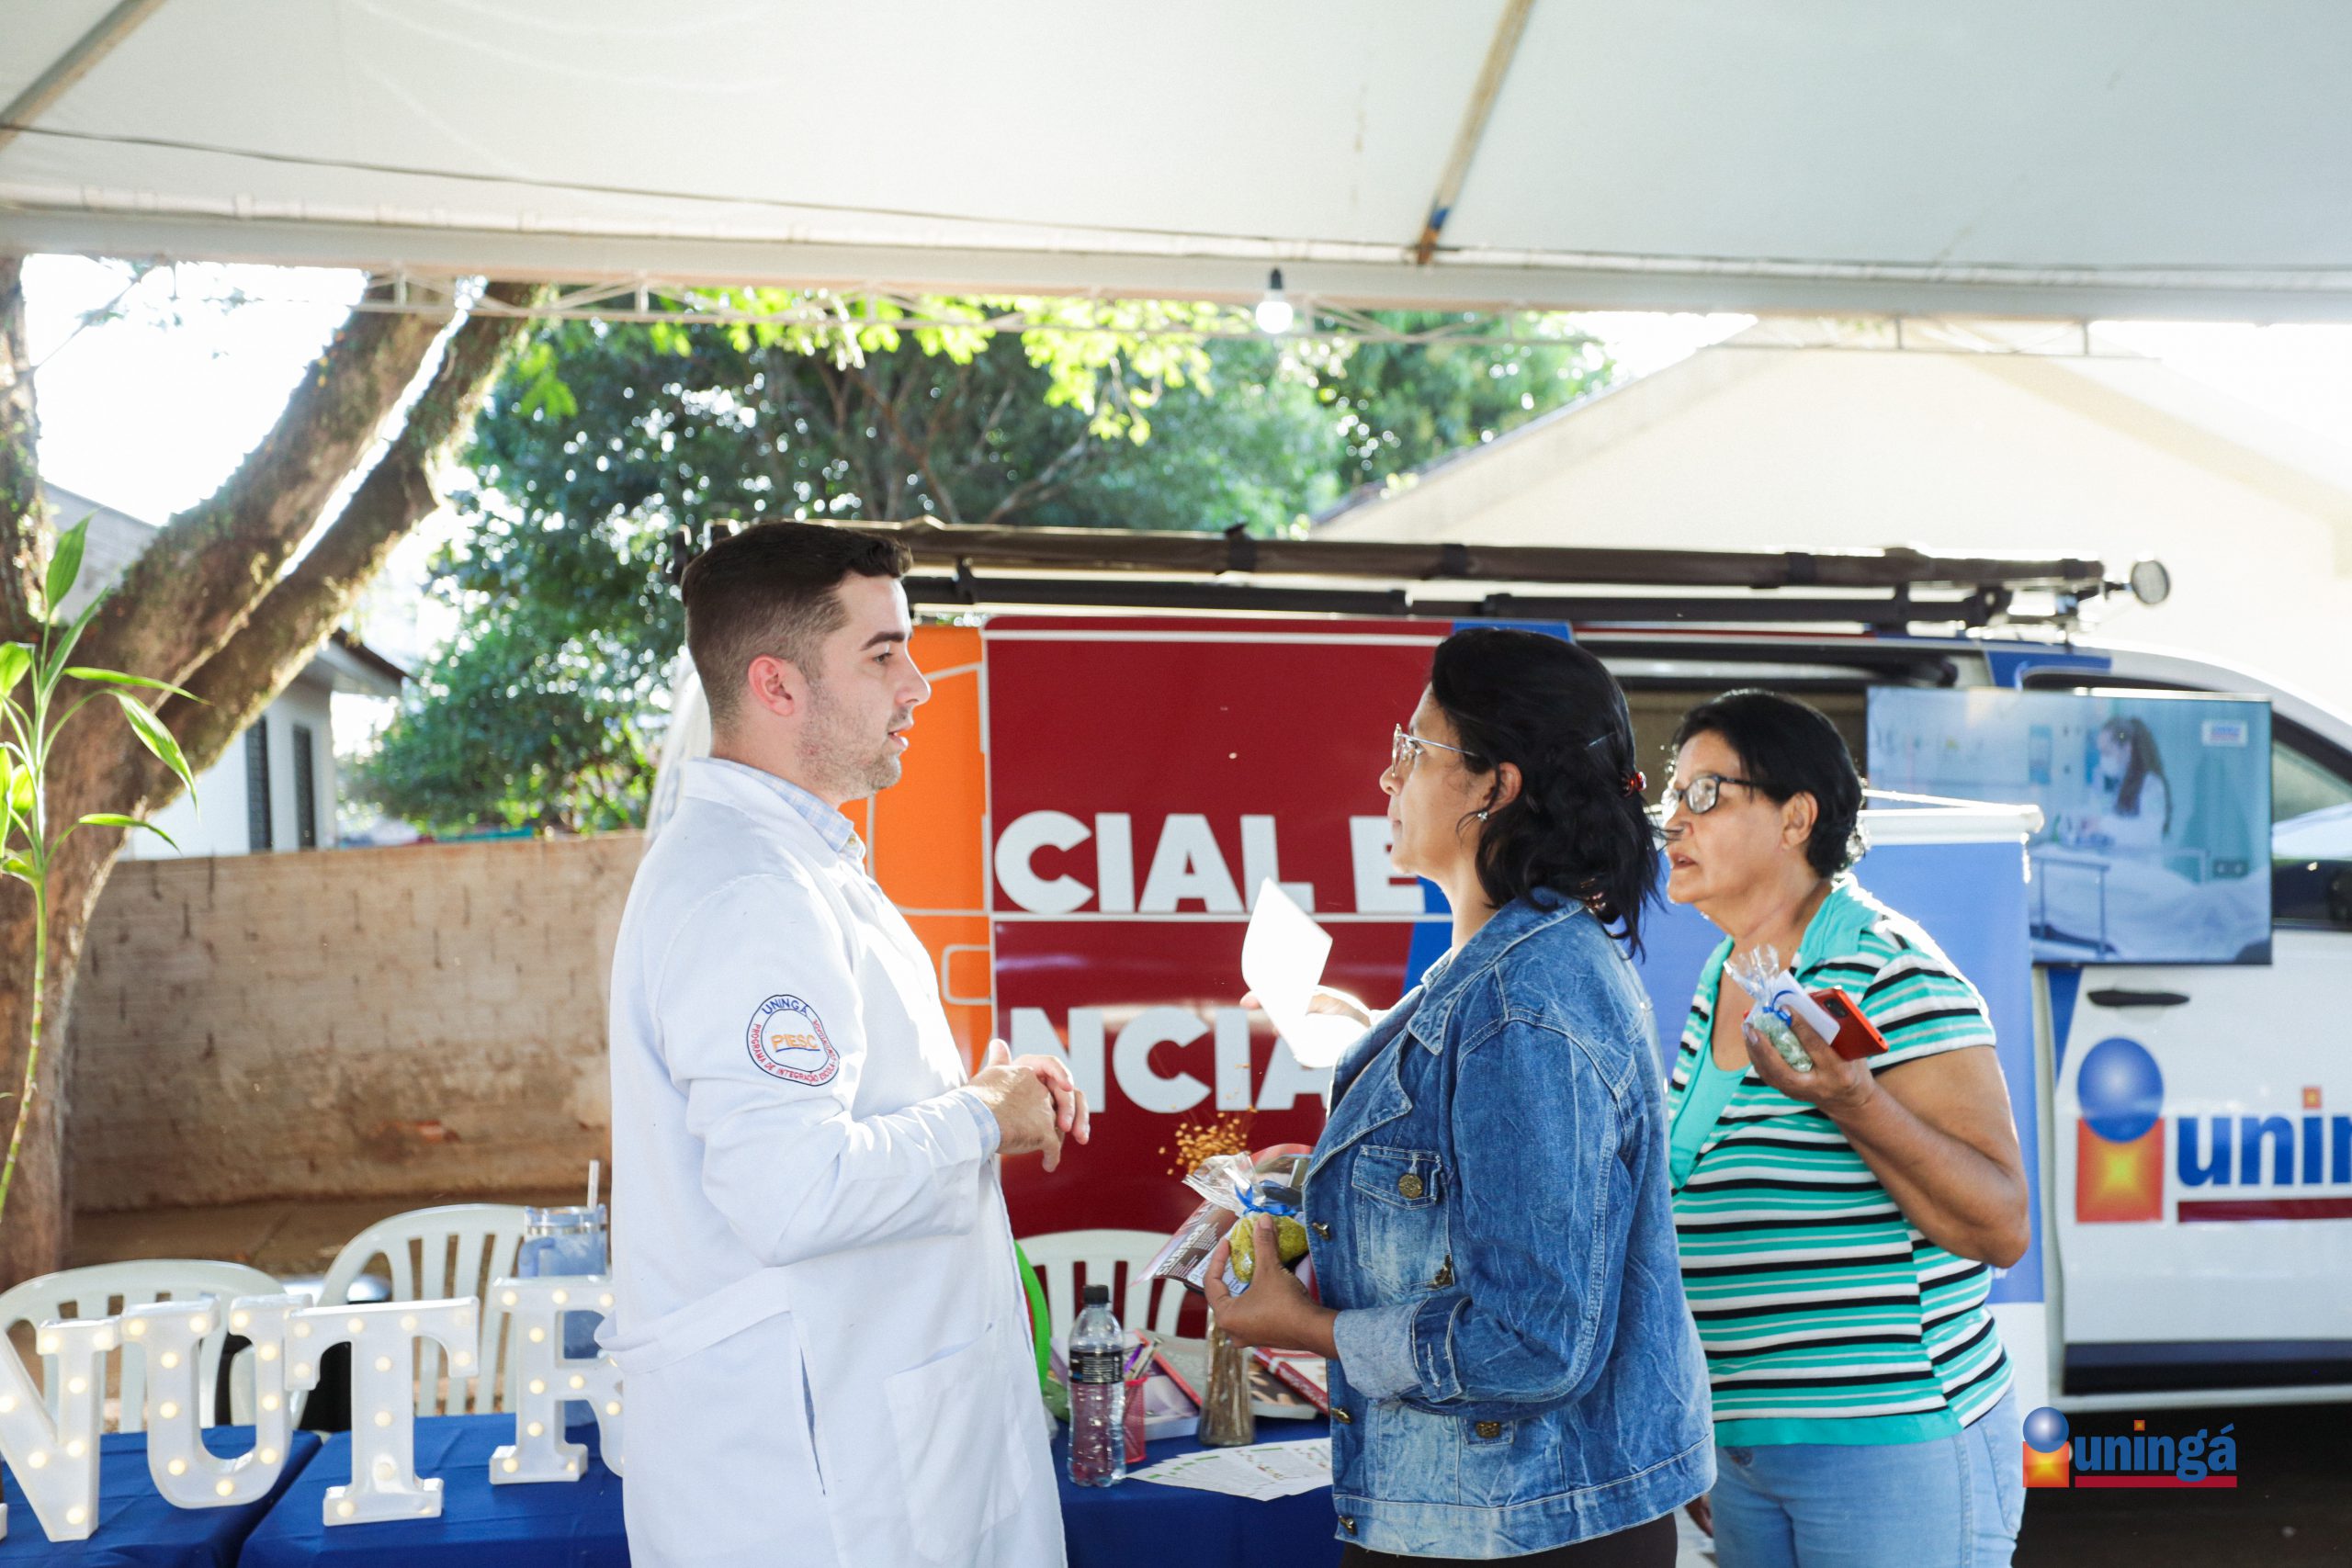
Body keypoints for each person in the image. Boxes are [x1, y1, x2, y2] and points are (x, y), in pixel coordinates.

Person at [603, 521, 1088, 1568]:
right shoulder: (750, 892)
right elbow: (792, 1191)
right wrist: (979, 1117)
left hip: (870, 1449)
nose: (918, 685)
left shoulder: (794, 865)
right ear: (776, 685)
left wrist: (980, 1097)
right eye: (882, 655)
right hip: (812, 1492)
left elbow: (832, 1129)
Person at [1206, 627, 1713, 1566]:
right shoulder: (1499, 967)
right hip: (1491, 1514)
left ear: (1494, 785)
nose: (1388, 776)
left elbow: (1533, 1341)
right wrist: (1331, 1178)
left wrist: (1308, 1329)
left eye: (1414, 748)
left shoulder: (1523, 1002)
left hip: (1521, 1526)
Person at [1658, 690, 2030, 1568]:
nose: (1673, 820)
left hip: (1891, 1445)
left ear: (1796, 818)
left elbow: (2001, 1223)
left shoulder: (1889, 966)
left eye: (1705, 794)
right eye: (1671, 795)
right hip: (1747, 1450)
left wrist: (1853, 1099)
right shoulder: (1726, 974)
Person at [2078, 715, 2170, 851]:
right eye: (2101, 753)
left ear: (2127, 748)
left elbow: (2150, 833)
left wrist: (2104, 825)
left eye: (2107, 753)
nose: (2103, 760)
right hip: (2113, 860)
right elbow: (2099, 812)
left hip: (2141, 861)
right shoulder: (2112, 781)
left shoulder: (2151, 785)